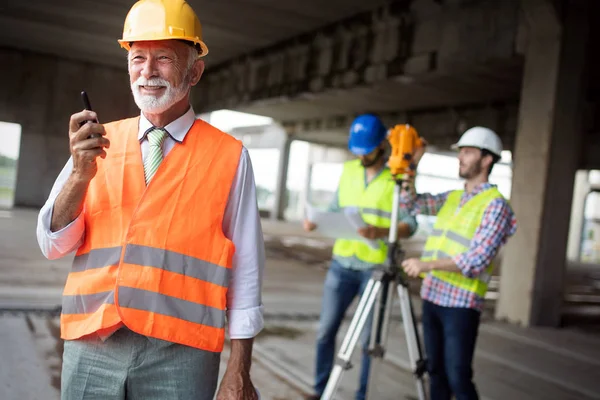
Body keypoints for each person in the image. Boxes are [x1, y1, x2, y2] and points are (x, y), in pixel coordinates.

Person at [35, 1, 264, 399]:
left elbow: (246, 270)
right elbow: (52, 244)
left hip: (182, 352)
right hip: (94, 342)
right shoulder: (96, 144)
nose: (148, 71)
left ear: (194, 71)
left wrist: (239, 368)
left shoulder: (229, 156)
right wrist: (78, 175)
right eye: (138, 58)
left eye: (164, 59)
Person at [303, 114, 418, 400]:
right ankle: (321, 392)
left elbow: (411, 224)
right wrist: (318, 220)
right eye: (358, 150)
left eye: (366, 151)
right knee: (325, 332)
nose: (361, 156)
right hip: (342, 264)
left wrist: (380, 231)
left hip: (374, 269)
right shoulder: (350, 170)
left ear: (382, 146)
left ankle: (362, 396)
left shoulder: (397, 177)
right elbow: (335, 206)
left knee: (369, 341)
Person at [399, 126, 517, 400]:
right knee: (436, 373)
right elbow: (412, 204)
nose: (460, 157)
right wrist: (412, 165)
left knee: (458, 376)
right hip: (433, 297)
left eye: (467, 152)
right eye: (460, 152)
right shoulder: (453, 198)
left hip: (461, 305)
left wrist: (426, 265)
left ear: (487, 159)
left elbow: (477, 259)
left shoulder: (495, 205)